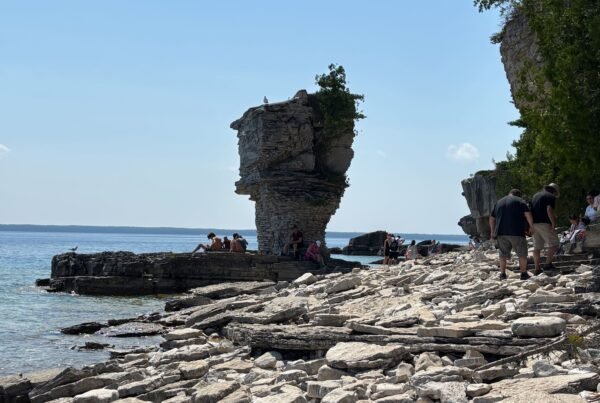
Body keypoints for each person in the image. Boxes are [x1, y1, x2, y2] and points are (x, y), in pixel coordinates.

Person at [489, 189, 534, 280]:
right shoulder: (520, 201)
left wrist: (492, 231)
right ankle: (523, 274)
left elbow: (492, 218)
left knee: (503, 254)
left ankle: (502, 274)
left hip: (501, 232)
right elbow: (527, 214)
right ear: (518, 195)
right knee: (522, 254)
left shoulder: (498, 202)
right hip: (516, 232)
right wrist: (531, 226)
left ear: (509, 193)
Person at [531, 183, 560, 274]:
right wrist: (553, 223)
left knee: (537, 247)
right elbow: (549, 209)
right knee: (554, 243)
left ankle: (537, 268)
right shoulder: (550, 196)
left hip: (534, 224)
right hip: (544, 223)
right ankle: (548, 264)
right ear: (554, 191)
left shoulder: (535, 195)